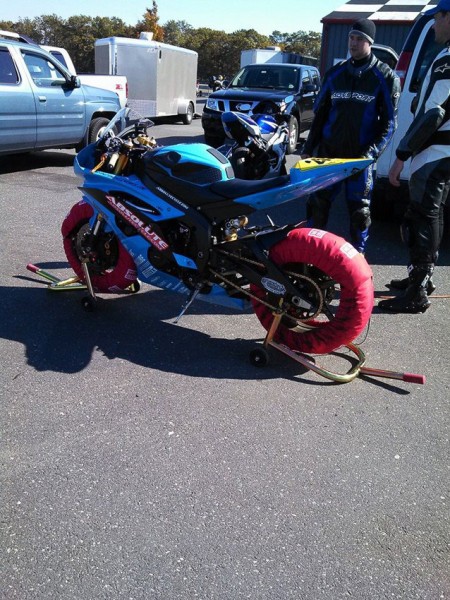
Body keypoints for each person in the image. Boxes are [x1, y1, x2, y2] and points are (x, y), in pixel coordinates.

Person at [301, 19, 401, 254]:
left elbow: (390, 124)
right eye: (351, 38)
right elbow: (320, 115)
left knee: (359, 213)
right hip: (328, 155)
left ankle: (357, 261)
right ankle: (310, 259)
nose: (353, 43)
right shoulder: (334, 74)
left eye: (359, 39)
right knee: (316, 205)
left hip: (360, 158)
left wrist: (370, 154)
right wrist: (308, 148)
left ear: (370, 42)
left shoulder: (385, 76)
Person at [379, 0, 450, 314]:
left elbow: (434, 113)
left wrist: (402, 154)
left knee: (422, 217)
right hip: (439, 151)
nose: (434, 25)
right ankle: (421, 279)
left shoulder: (448, 59)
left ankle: (417, 292)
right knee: (431, 214)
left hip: (435, 152)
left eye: (437, 18)